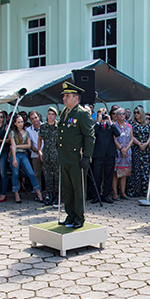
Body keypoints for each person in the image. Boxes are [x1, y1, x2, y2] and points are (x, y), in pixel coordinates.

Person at [57, 83, 95, 228]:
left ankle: (79, 217)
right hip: (65, 157)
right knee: (67, 189)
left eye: (67, 96)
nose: (64, 99)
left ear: (76, 98)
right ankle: (70, 215)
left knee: (78, 189)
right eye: (64, 96)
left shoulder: (82, 113)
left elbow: (89, 136)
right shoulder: (64, 113)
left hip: (76, 158)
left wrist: (87, 156)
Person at [9, 113, 43, 203]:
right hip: (15, 154)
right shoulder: (12, 133)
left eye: (22, 122)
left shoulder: (26, 132)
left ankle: (38, 192)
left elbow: (28, 145)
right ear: (15, 123)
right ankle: (16, 193)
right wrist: (14, 158)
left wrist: (17, 146)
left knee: (31, 173)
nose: (21, 123)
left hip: (23, 154)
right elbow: (13, 146)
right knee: (15, 174)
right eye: (19, 122)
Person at [91, 108, 120, 203]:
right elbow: (92, 134)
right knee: (97, 176)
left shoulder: (110, 126)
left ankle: (106, 195)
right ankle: (97, 195)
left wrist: (110, 122)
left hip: (109, 154)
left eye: (104, 114)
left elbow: (117, 133)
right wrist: (98, 122)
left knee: (108, 176)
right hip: (98, 155)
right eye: (100, 114)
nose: (102, 116)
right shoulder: (96, 126)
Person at [129, 105, 150, 197]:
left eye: (138, 112)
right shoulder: (131, 124)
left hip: (145, 150)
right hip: (136, 148)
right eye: (135, 112)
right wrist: (139, 144)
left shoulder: (147, 124)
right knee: (136, 170)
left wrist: (146, 143)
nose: (136, 114)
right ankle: (135, 190)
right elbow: (131, 136)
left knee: (145, 170)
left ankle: (145, 190)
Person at [38, 107, 59, 206]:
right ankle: (49, 195)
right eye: (49, 114)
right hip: (46, 154)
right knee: (48, 176)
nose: (50, 116)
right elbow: (40, 139)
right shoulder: (43, 127)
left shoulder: (58, 126)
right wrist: (39, 151)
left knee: (57, 177)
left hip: (56, 154)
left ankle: (57, 196)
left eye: (52, 114)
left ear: (55, 116)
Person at [112, 107, 134, 200]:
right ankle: (115, 192)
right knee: (116, 172)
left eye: (123, 114)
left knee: (124, 172)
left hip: (127, 151)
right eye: (119, 114)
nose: (121, 116)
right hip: (118, 151)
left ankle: (123, 192)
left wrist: (127, 148)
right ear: (116, 115)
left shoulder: (129, 126)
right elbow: (113, 139)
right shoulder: (114, 125)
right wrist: (121, 149)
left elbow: (132, 138)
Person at [27, 111, 44, 193]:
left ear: (39, 117)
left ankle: (49, 193)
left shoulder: (45, 126)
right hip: (35, 154)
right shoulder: (28, 130)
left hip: (46, 154)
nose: (35, 120)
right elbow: (30, 144)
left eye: (36, 118)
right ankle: (38, 192)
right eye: (32, 119)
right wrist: (38, 152)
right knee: (37, 174)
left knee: (48, 174)